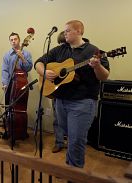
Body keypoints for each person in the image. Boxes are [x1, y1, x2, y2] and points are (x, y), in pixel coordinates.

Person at [35, 20, 110, 168]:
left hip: (82, 103)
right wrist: (44, 72)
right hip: (61, 101)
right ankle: (71, 168)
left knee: (76, 141)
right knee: (71, 138)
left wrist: (98, 65)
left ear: (79, 31)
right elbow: (38, 62)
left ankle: (74, 174)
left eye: (68, 30)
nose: (64, 33)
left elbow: (104, 76)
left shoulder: (94, 51)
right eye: (65, 31)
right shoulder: (60, 49)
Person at [1, 32, 33, 140]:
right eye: (11, 40)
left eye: (15, 39)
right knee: (8, 108)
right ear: (10, 42)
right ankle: (8, 130)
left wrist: (22, 58)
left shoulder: (26, 53)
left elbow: (28, 68)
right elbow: (5, 71)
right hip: (10, 84)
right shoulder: (7, 55)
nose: (14, 41)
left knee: (21, 108)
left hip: (21, 84)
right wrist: (5, 83)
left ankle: (21, 131)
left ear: (19, 40)